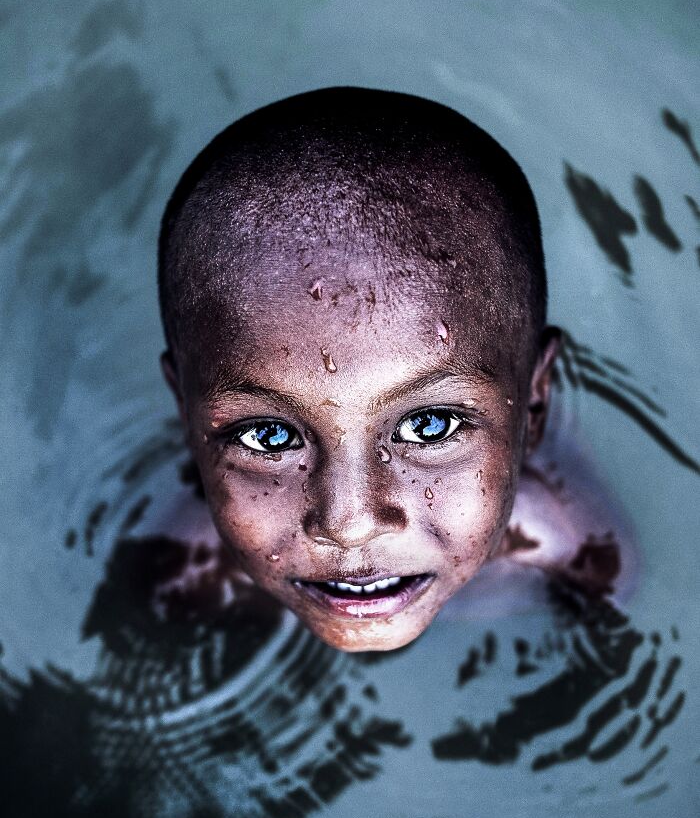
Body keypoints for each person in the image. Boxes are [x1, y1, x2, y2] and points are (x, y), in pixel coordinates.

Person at [157, 87, 633, 652]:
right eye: (269, 435)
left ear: (533, 402)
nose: (349, 523)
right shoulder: (190, 572)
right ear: (186, 417)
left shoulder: (573, 552)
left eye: (431, 425)